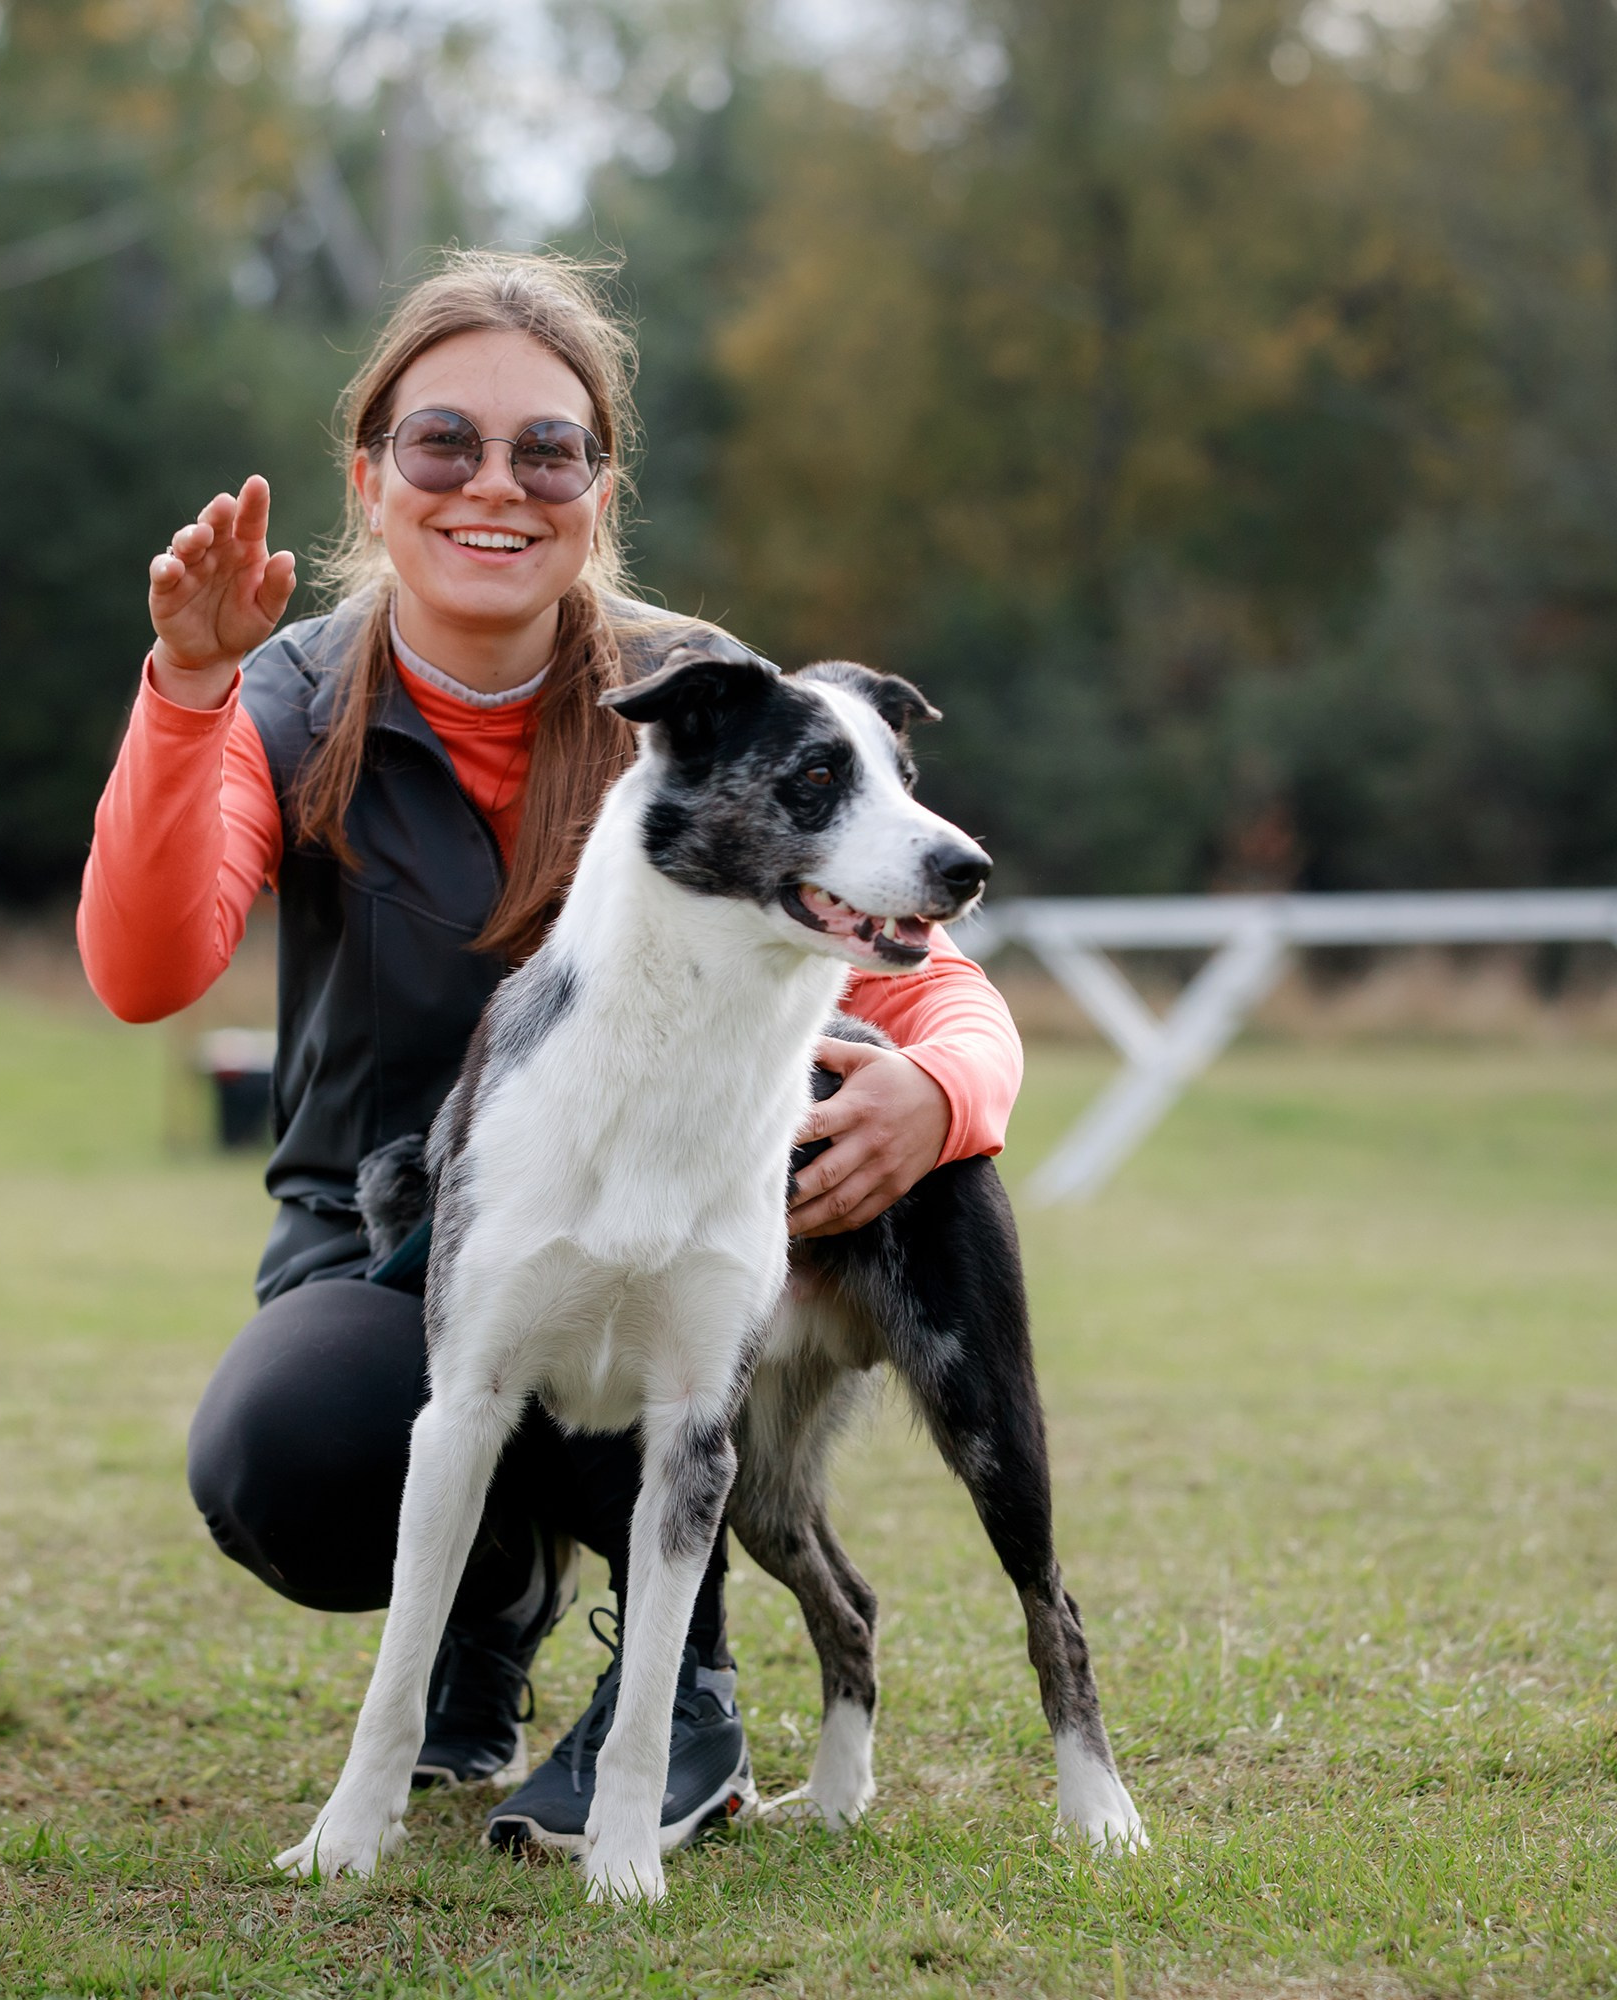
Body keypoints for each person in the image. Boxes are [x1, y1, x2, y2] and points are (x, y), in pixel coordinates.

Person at [77, 250, 1023, 1854]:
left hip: (674, 1210)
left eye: (549, 449)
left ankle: (688, 1699)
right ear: (370, 479)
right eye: (443, 443)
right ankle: (496, 1596)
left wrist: (946, 1091)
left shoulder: (692, 697)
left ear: (598, 486)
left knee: (665, 1314)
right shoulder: (293, 697)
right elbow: (148, 968)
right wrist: (187, 688)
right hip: (388, 1244)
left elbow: (921, 969)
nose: (495, 485)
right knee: (286, 1455)